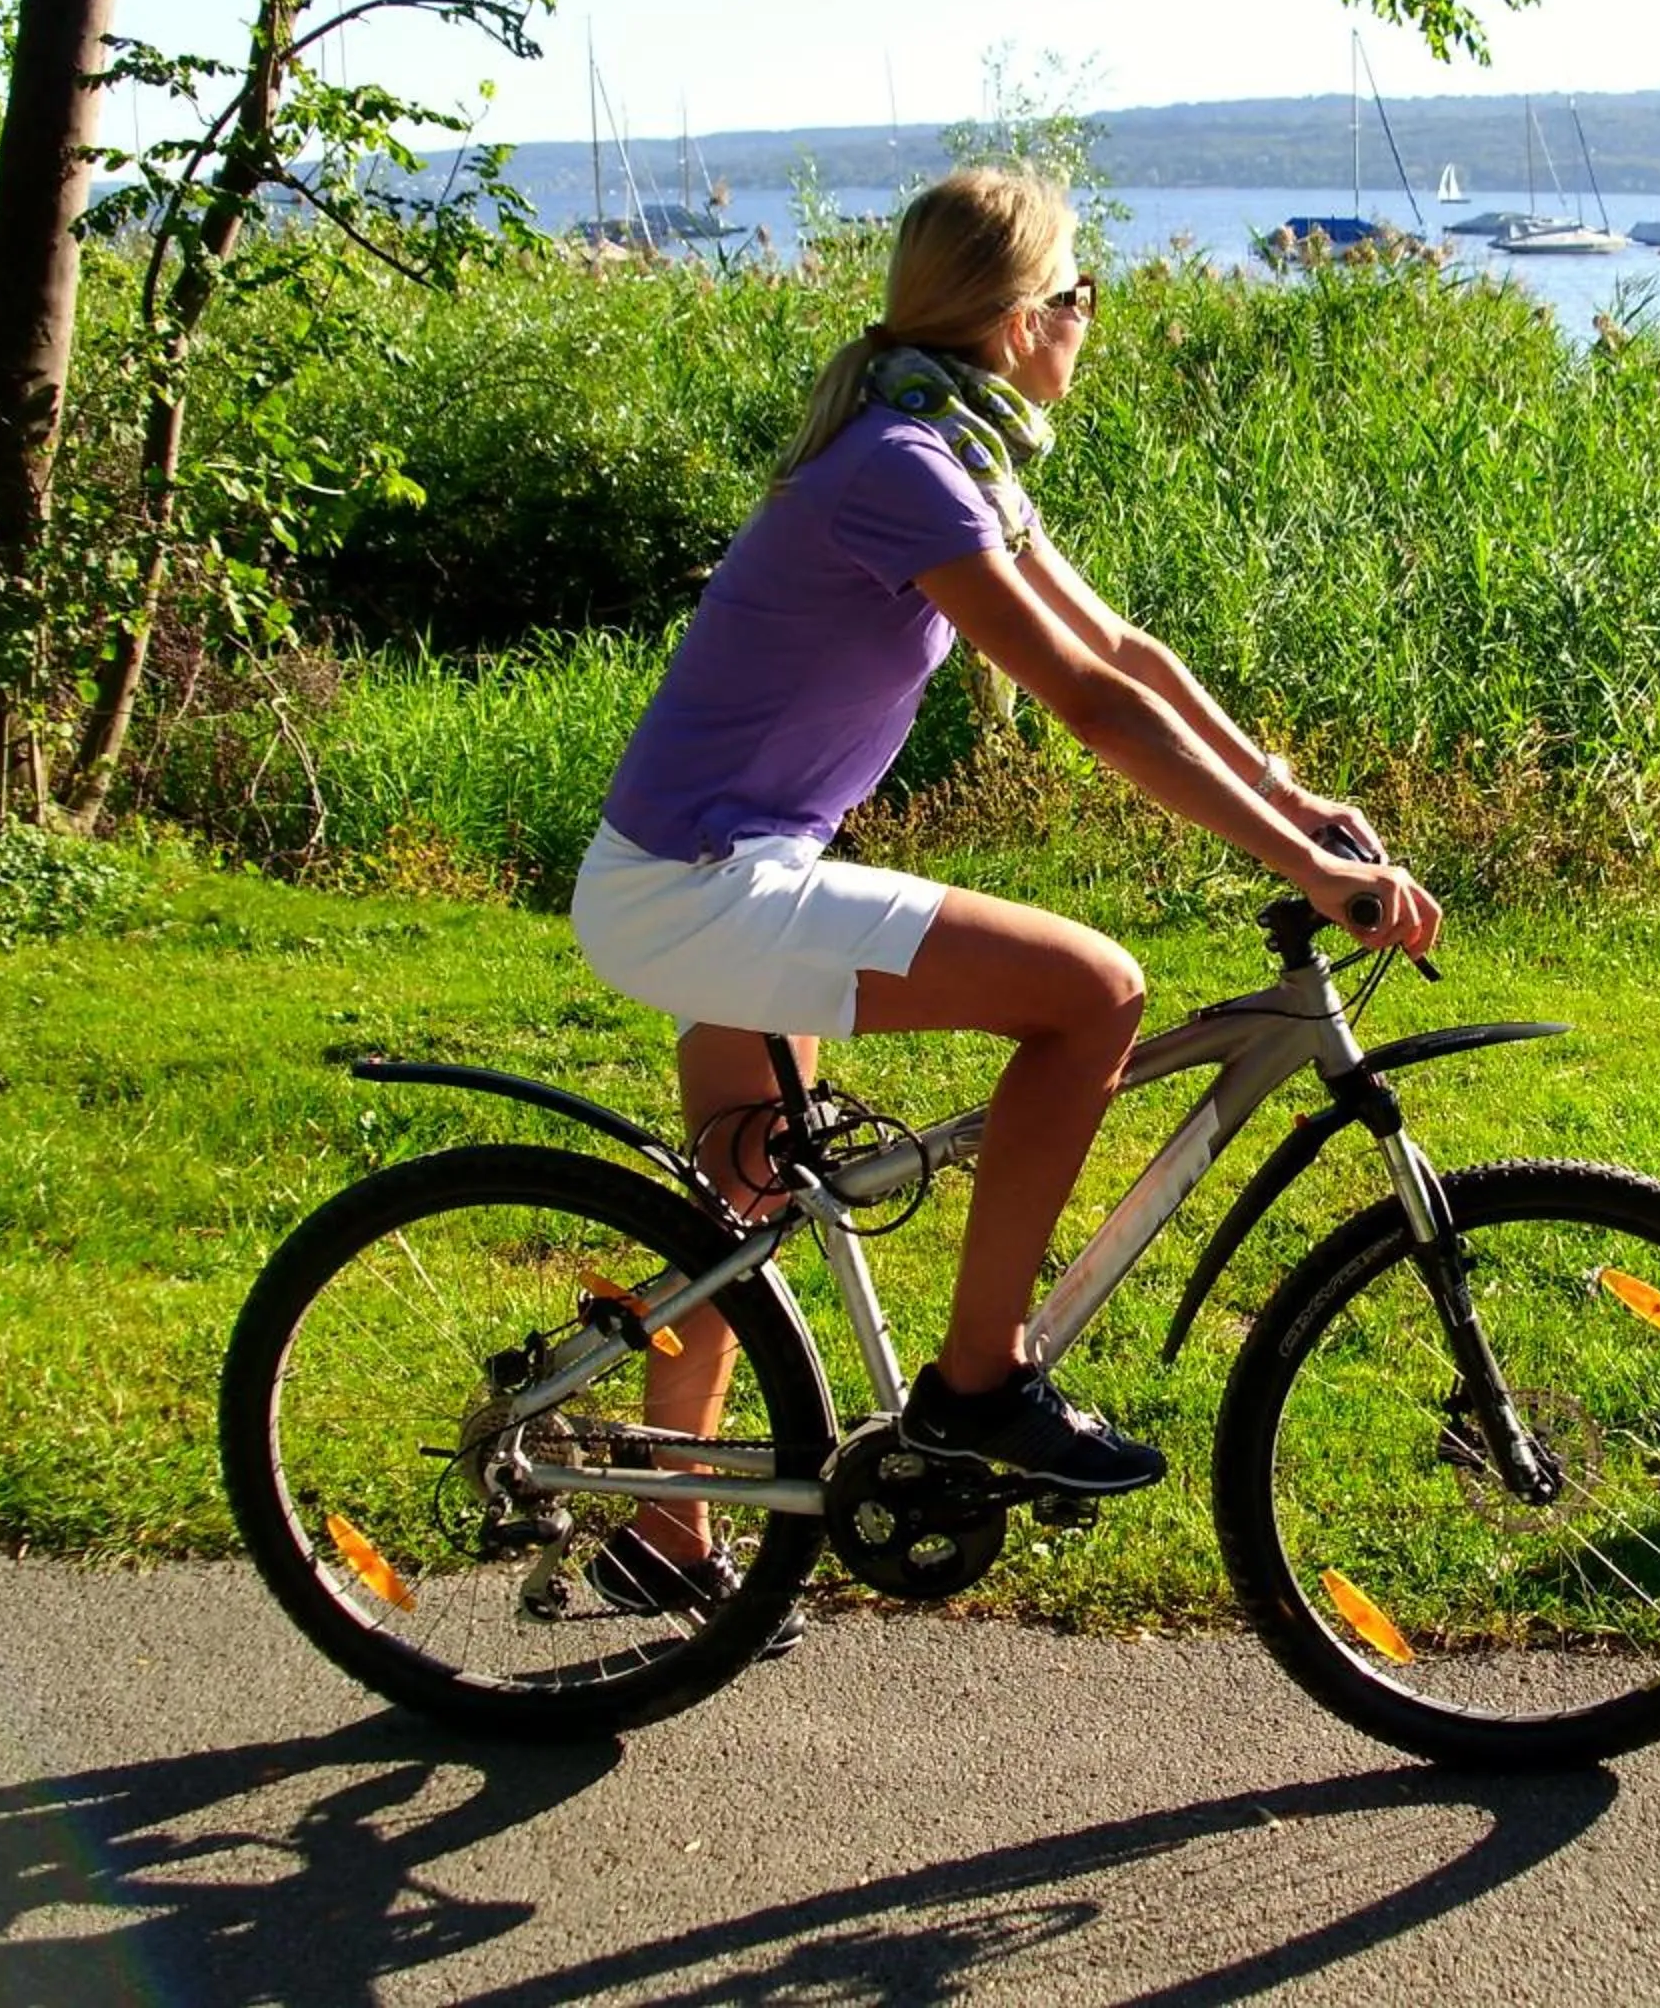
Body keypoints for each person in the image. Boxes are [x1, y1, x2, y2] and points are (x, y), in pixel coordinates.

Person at [569, 167, 1441, 1621]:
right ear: (1022, 317)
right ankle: (983, 1382)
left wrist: (1296, 803)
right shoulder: (903, 465)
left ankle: (664, 1527)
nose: (1091, 320)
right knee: (1090, 990)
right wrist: (1307, 873)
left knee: (743, 1192)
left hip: (703, 870)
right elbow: (1090, 704)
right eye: (1080, 295)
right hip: (705, 884)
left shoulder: (948, 451)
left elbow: (1134, 652)